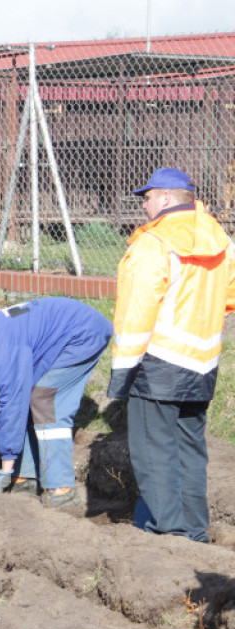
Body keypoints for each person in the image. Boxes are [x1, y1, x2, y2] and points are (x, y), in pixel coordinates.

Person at [108, 168, 235, 542]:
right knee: (189, 454)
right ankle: (194, 531)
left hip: (159, 364)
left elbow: (137, 310)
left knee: (154, 455)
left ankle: (172, 536)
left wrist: (123, 370)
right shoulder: (219, 239)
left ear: (165, 199)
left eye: (145, 198)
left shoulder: (154, 243)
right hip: (203, 365)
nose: (143, 206)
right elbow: (229, 298)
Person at [0, 298, 112, 507]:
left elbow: (13, 408)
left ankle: (61, 490)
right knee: (29, 397)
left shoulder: (1, 354)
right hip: (54, 336)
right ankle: (26, 479)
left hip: (82, 332)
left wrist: (6, 468)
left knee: (45, 399)